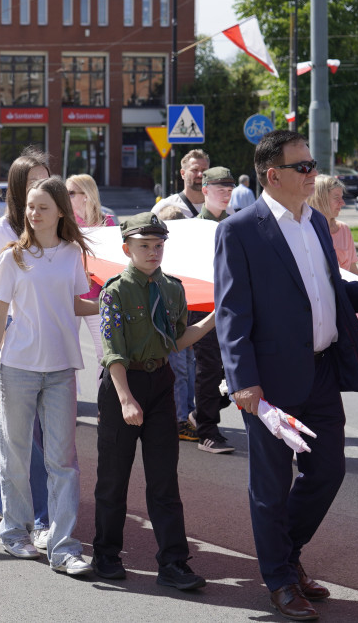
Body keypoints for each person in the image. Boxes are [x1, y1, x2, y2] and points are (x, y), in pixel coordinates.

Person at [215, 130, 358, 621]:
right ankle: (279, 579)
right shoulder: (239, 230)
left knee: (329, 471)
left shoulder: (315, 223)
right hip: (267, 384)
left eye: (313, 165)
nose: (313, 173)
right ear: (274, 175)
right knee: (269, 487)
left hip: (320, 373)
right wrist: (243, 381)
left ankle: (285, 558)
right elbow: (232, 314)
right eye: (304, 167)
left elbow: (329, 291)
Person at [0, 176, 98, 576]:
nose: (33, 213)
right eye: (30, 206)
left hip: (62, 369)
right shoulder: (12, 256)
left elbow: (72, 303)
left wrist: (108, 301)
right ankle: (15, 532)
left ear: (61, 211)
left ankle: (64, 548)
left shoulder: (71, 254)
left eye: (42, 206)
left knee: (62, 461)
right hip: (16, 369)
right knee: (14, 454)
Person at [93, 212, 215, 589]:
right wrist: (127, 399)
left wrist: (214, 317)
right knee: (114, 479)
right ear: (126, 248)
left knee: (164, 482)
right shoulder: (115, 290)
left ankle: (174, 564)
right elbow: (112, 351)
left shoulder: (173, 289)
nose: (152, 251)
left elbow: (176, 340)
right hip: (122, 386)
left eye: (158, 245)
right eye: (144, 245)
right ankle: (106, 554)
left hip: (160, 383)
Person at [0, 148, 53, 542]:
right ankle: (40, 518)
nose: (40, 187)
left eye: (45, 179)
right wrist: (1, 340)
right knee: (30, 435)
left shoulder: (55, 228)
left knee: (26, 433)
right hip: (14, 348)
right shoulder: (0, 231)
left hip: (52, 348)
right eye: (32, 181)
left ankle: (2, 496)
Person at [191, 166, 236, 454]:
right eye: (220, 189)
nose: (226, 194)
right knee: (208, 369)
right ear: (205, 190)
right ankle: (207, 430)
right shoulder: (194, 228)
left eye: (230, 189)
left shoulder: (237, 224)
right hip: (204, 309)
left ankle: (201, 413)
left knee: (233, 371)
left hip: (233, 308)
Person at [66, 173, 113, 396]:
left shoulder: (108, 222)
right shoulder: (62, 222)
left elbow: (115, 262)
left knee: (104, 354)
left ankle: (105, 406)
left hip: (98, 296)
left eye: (70, 193)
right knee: (67, 353)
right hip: (69, 294)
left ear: (86, 195)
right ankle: (68, 403)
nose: (65, 197)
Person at [155, 205, 198, 440]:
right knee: (179, 368)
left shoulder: (186, 253)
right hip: (169, 322)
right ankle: (180, 418)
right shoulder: (160, 255)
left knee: (188, 365)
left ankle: (188, 412)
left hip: (186, 315)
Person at [307, 175, 358, 276]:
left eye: (342, 197)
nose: (343, 203)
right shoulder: (306, 230)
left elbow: (352, 269)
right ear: (320, 199)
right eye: (336, 198)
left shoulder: (343, 229)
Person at [151, 149, 209, 219]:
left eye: (204, 170)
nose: (200, 174)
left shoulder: (221, 206)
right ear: (183, 173)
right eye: (195, 170)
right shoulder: (164, 206)